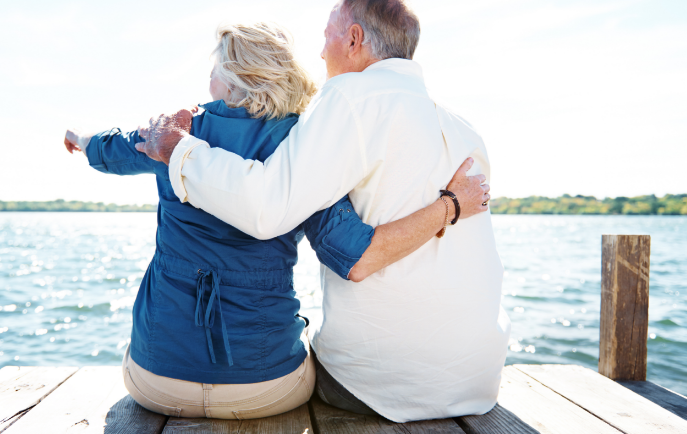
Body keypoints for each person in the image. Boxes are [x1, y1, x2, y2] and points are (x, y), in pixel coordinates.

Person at [63, 22, 490, 420]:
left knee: (142, 351)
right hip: (262, 388)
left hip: (156, 381)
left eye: (214, 68)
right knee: (304, 349)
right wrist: (448, 206)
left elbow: (110, 151)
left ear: (231, 76)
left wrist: (80, 140)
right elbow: (352, 251)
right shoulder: (301, 147)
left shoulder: (173, 135)